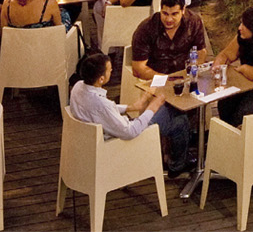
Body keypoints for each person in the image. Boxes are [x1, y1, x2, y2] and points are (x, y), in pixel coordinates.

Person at [69, 50, 194, 179]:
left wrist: (131, 107)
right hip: (120, 142)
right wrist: (152, 107)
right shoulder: (101, 104)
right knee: (177, 116)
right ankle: (177, 166)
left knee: (176, 116)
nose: (112, 71)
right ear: (101, 79)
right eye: (110, 70)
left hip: (96, 142)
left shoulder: (78, 87)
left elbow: (99, 110)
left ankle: (175, 160)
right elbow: (130, 131)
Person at [128, 0, 209, 83]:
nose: (169, 19)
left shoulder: (193, 22)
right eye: (165, 13)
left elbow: (201, 51)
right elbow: (138, 69)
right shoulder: (146, 28)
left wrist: (193, 73)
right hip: (156, 78)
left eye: (174, 14)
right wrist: (167, 80)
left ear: (183, 10)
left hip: (184, 76)